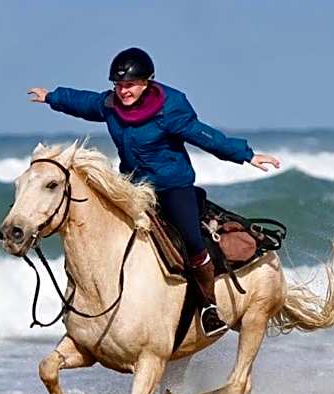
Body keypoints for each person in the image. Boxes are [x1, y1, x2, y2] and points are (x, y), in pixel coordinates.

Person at [28, 47, 280, 337]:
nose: (124, 91)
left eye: (130, 85)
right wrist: (52, 97)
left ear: (148, 82)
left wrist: (246, 154)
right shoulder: (111, 105)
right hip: (134, 185)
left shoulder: (170, 109)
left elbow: (205, 136)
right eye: (119, 85)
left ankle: (209, 307)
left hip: (172, 186)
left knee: (191, 240)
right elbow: (85, 103)